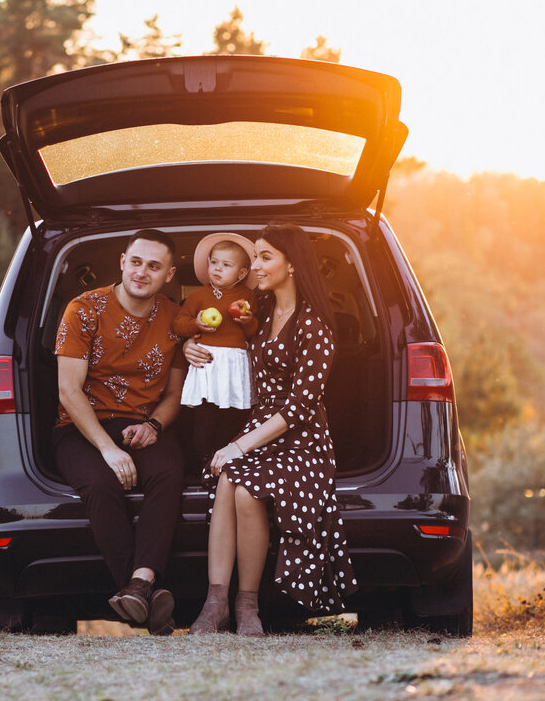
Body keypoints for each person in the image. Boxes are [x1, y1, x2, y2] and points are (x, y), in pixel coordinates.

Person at [184, 223, 356, 636]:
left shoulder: (314, 323)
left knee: (245, 489)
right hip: (261, 427)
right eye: (256, 257)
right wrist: (190, 344)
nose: (256, 266)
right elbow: (226, 344)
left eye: (265, 257)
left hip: (303, 439)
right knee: (227, 480)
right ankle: (216, 602)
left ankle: (247, 606)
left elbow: (300, 406)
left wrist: (239, 446)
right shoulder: (258, 315)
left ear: (292, 264)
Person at [53, 229, 187, 636]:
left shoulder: (176, 317)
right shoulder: (84, 309)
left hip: (142, 425)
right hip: (80, 426)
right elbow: (67, 390)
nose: (142, 272)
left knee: (168, 474)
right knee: (99, 483)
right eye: (136, 261)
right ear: (122, 262)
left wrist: (154, 425)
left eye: (154, 266)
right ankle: (148, 593)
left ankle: (139, 585)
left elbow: (175, 394)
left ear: (168, 274)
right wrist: (108, 450)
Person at [172, 233, 259, 467]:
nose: (217, 268)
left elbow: (253, 332)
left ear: (242, 274)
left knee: (233, 415)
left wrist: (247, 320)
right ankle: (203, 459)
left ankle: (229, 459)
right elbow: (179, 324)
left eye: (226, 265)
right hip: (208, 363)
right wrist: (196, 324)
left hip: (234, 365)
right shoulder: (198, 295)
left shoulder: (246, 296)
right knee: (205, 417)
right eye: (214, 262)